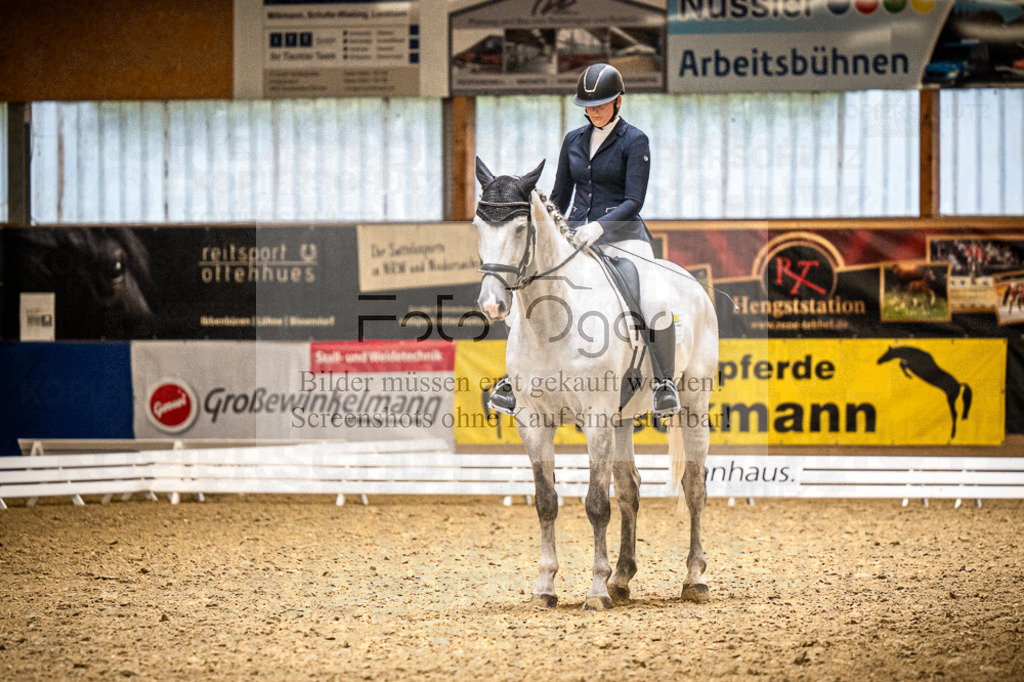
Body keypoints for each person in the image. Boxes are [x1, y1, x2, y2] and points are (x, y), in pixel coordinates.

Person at [489, 62, 680, 418]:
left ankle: (664, 384)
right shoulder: (573, 140)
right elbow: (559, 196)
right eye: (589, 106)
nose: (594, 111)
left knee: (654, 300)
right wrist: (553, 232)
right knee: (526, 299)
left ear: (618, 102)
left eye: (602, 105)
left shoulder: (635, 140)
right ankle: (514, 379)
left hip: (623, 235)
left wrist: (601, 227)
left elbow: (633, 200)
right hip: (575, 234)